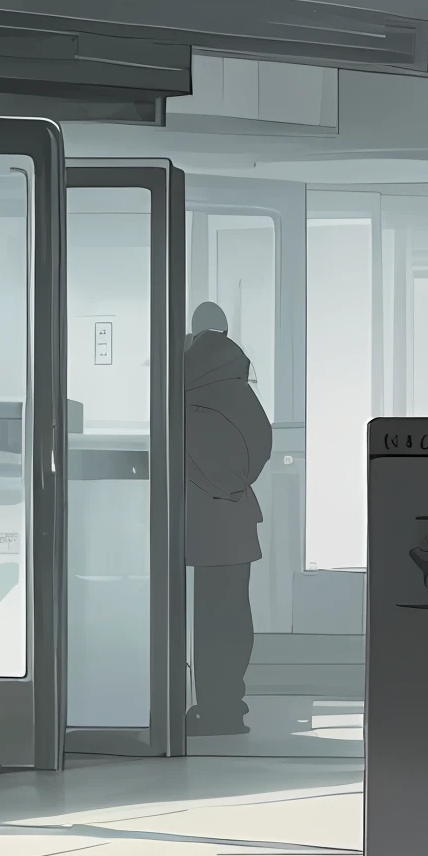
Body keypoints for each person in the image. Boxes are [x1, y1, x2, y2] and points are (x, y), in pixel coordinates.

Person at [183, 301, 272, 736]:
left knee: (210, 619)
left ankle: (213, 710)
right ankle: (228, 706)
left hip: (204, 523)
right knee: (234, 615)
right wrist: (236, 484)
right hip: (237, 520)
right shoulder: (240, 393)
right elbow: (260, 449)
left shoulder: (190, 395)